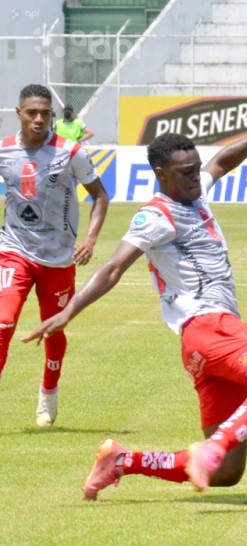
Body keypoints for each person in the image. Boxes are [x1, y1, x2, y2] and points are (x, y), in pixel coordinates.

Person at [23, 82, 247, 500]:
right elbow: (113, 267)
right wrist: (70, 313)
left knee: (226, 473)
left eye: (196, 169)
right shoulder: (156, 215)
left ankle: (122, 461)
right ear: (162, 175)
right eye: (186, 173)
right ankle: (217, 444)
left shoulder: (195, 193)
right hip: (209, 327)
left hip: (201, 345)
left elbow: (222, 162)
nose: (197, 177)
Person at [0, 84, 109, 427]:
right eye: (32, 113)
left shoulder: (70, 152)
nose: (39, 119)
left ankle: (48, 392)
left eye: (45, 114)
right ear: (19, 113)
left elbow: (101, 196)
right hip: (14, 250)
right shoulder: (3, 152)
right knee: (2, 322)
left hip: (59, 257)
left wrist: (89, 240)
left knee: (54, 329)